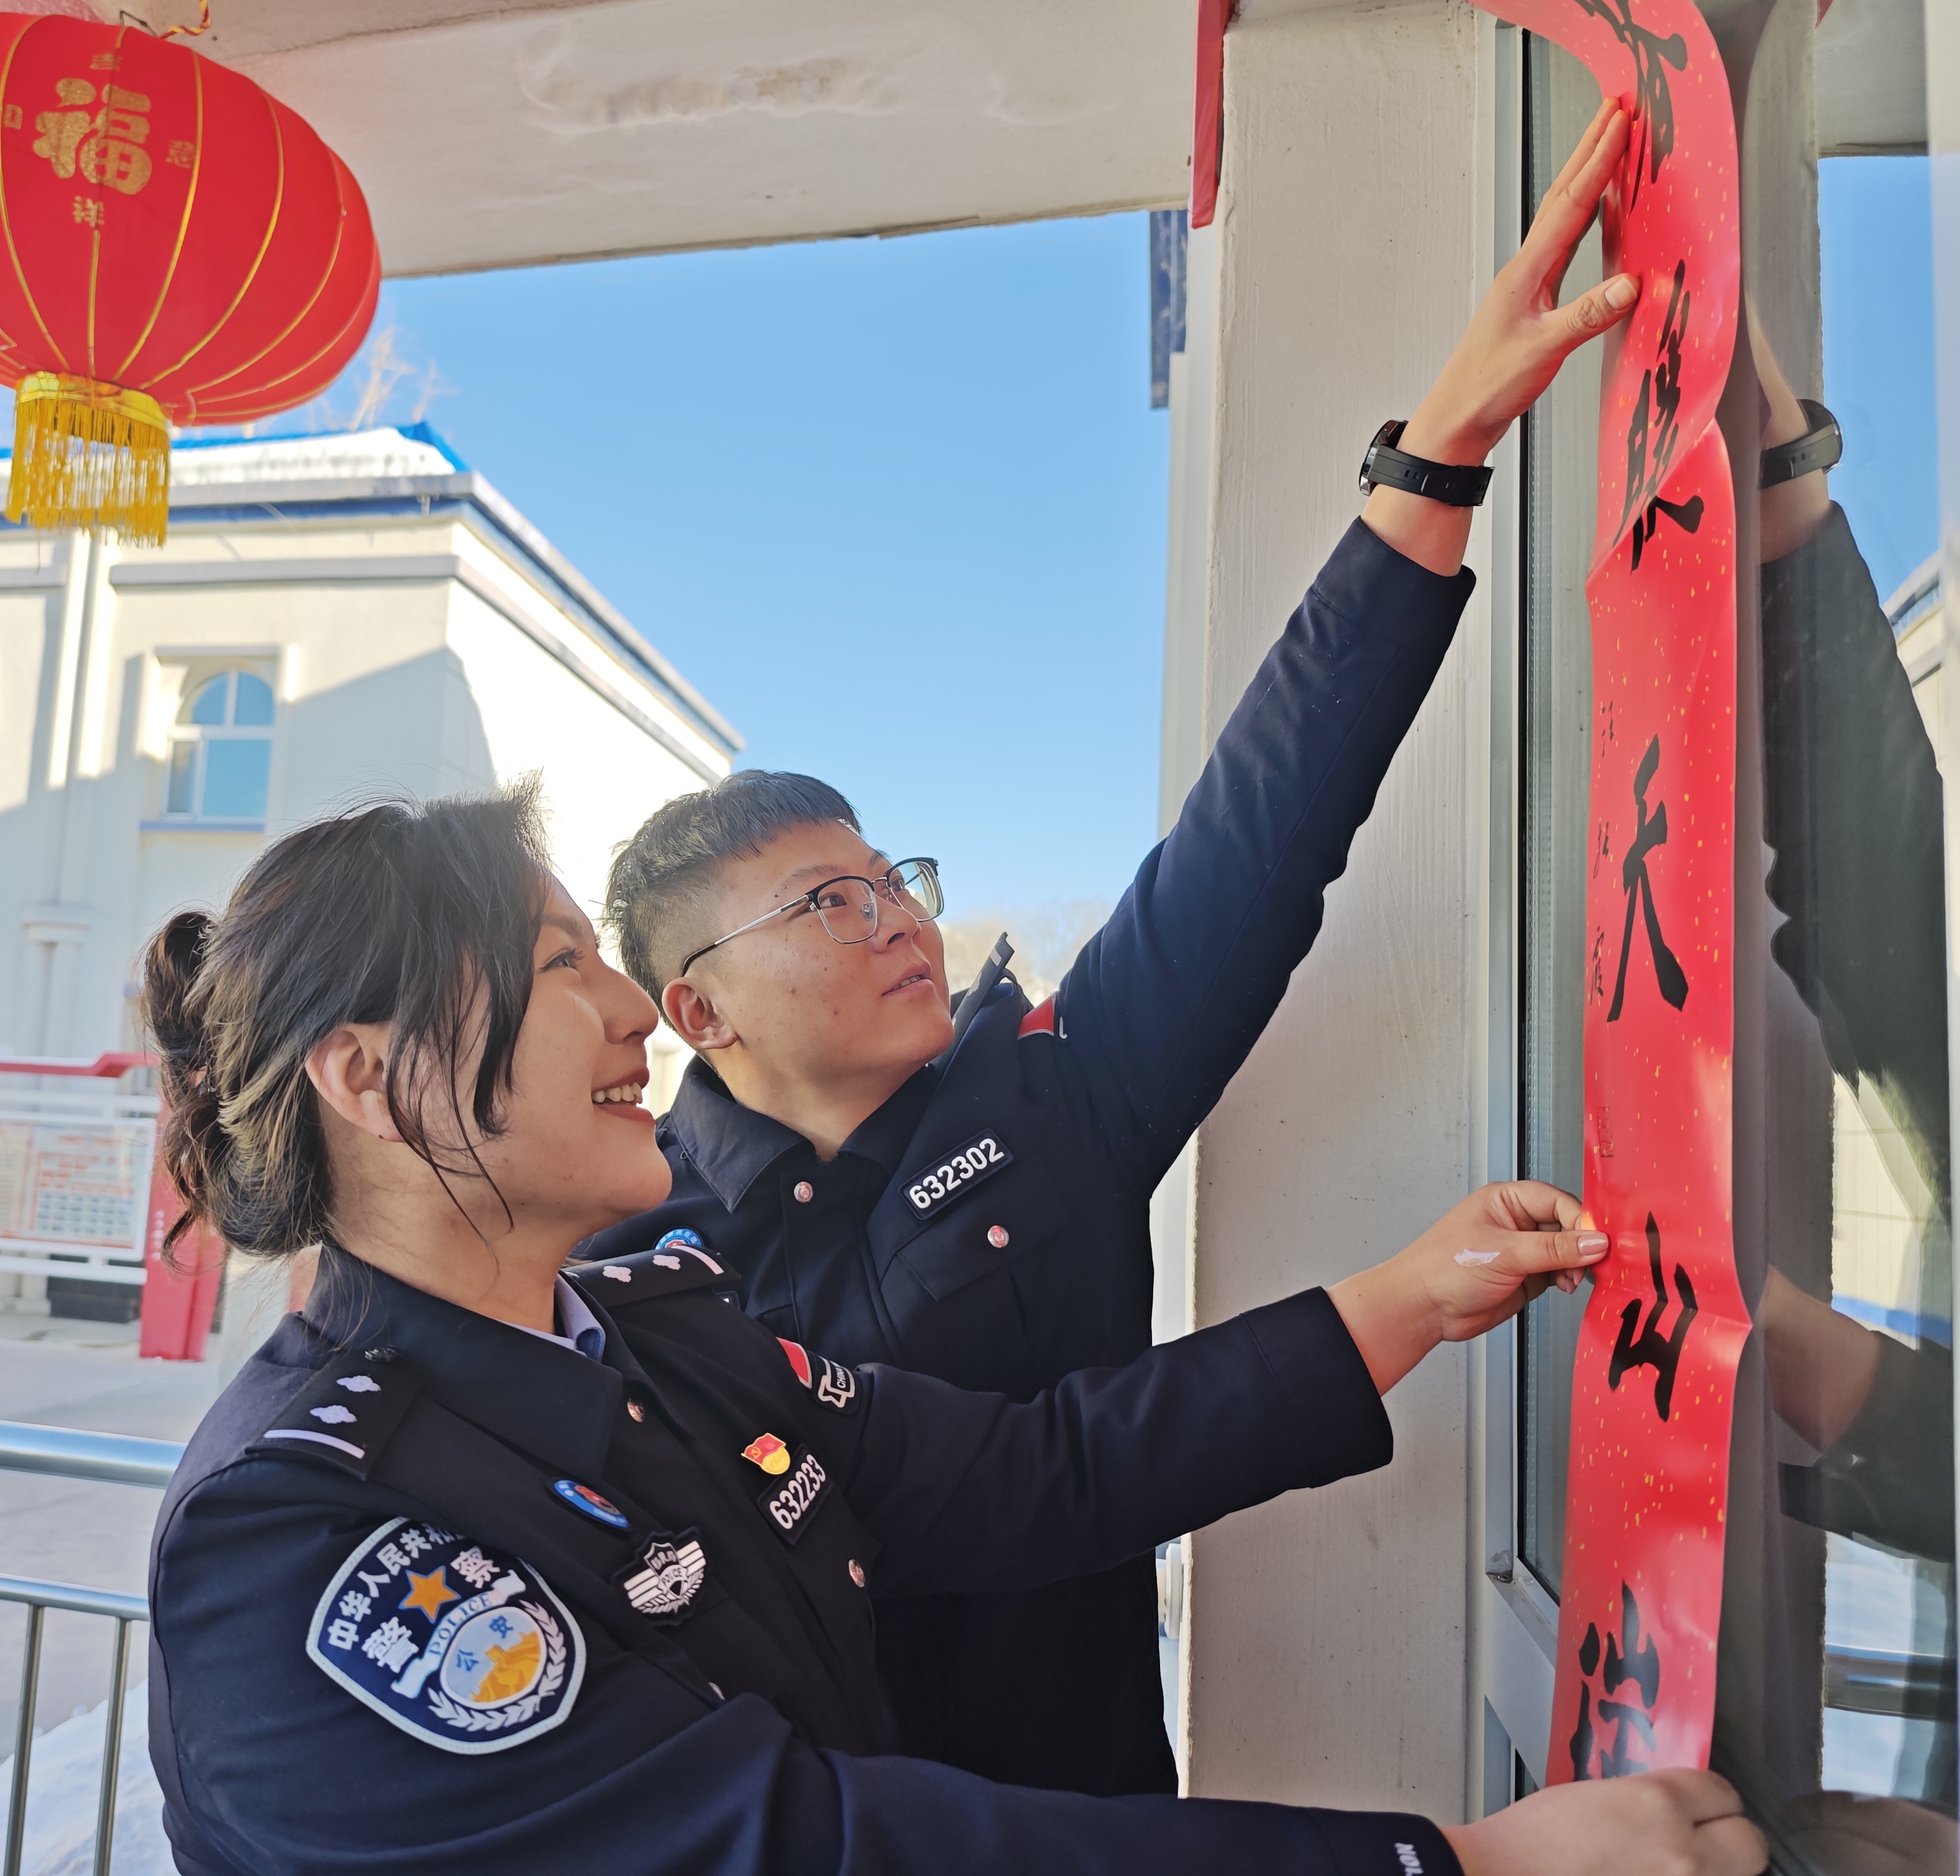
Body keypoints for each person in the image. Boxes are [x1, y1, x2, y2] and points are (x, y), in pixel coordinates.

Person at [579, 98, 1648, 1796]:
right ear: (696, 1009)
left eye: (892, 876)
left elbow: (1257, 841)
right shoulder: (640, 1256)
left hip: (1089, 1815)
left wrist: (1437, 454)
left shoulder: (1048, 1105)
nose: (899, 915)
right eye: (827, 902)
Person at [142, 781, 1766, 1876]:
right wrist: (1444, 1862)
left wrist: (1408, 1298)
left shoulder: (658, 1335)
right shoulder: (301, 1540)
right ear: (370, 1080)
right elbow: (806, 1846)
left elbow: (1032, 1473)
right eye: (565, 967)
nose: (633, 1013)